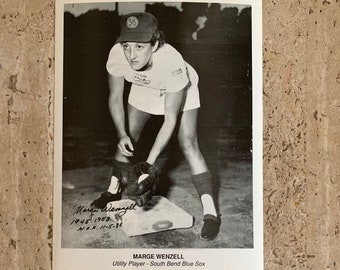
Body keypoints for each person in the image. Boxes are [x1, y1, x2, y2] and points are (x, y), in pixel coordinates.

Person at [91, 12, 220, 240]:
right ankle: (112, 190)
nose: (132, 55)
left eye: (140, 47)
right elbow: (114, 98)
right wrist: (121, 133)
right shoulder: (116, 54)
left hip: (180, 87)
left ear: (155, 43)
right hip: (144, 86)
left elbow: (169, 120)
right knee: (128, 136)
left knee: (188, 143)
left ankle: (211, 213)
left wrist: (149, 166)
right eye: (127, 46)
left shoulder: (172, 62)